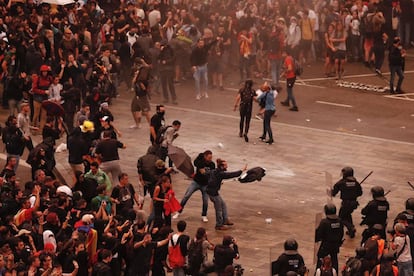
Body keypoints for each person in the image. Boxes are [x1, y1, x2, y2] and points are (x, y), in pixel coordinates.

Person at [175, 150, 215, 222]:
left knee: (205, 200)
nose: (210, 159)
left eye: (211, 157)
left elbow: (212, 175)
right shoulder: (200, 161)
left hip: (205, 185)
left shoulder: (212, 164)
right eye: (209, 157)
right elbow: (195, 163)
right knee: (187, 195)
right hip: (196, 182)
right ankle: (178, 211)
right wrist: (201, 168)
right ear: (205, 156)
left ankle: (204, 215)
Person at [207, 159, 246, 230]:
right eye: (225, 165)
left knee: (223, 204)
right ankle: (219, 225)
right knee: (218, 209)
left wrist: (217, 182)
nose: (227, 166)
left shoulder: (215, 171)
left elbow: (210, 176)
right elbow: (230, 175)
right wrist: (241, 171)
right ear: (222, 167)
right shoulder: (220, 173)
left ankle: (225, 220)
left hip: (213, 192)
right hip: (213, 193)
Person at [331, 167, 363, 238]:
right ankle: (351, 231)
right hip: (354, 203)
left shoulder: (342, 182)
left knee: (341, 219)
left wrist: (331, 192)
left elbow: (334, 192)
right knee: (347, 215)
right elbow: (360, 193)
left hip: (346, 203)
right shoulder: (356, 183)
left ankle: (351, 228)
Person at [315, 203, 344, 272]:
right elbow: (341, 233)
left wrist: (316, 239)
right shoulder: (339, 221)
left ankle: (318, 272)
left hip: (326, 244)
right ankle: (335, 272)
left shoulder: (324, 222)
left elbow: (319, 233)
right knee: (334, 259)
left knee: (321, 258)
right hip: (336, 244)